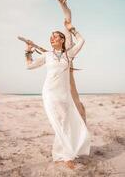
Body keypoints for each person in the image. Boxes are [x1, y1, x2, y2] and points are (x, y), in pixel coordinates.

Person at [25, 20, 91, 169]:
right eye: (51, 37)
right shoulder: (47, 55)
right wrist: (28, 51)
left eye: (55, 36)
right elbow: (29, 66)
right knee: (57, 124)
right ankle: (68, 156)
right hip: (49, 93)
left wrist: (71, 28)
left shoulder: (69, 54)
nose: (52, 38)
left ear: (62, 40)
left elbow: (82, 40)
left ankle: (59, 152)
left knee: (66, 123)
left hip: (65, 95)